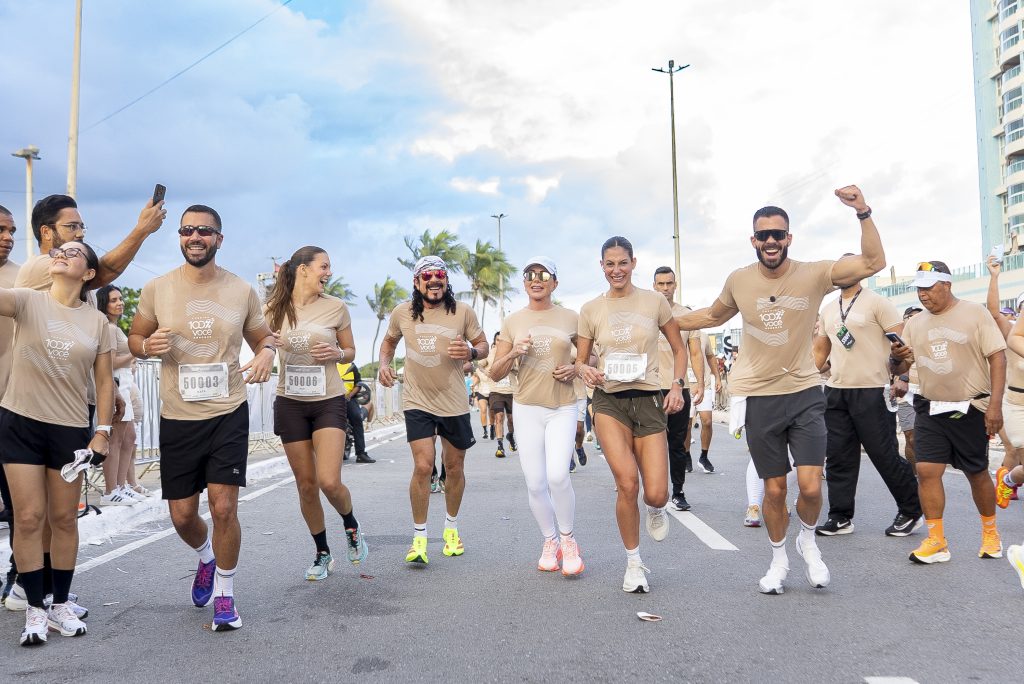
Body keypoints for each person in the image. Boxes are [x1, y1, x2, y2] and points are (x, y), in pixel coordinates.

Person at [679, 186, 885, 595]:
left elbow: (873, 261)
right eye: (763, 235)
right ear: (753, 240)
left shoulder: (814, 274)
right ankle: (778, 559)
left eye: (778, 234)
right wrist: (665, 320)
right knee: (774, 488)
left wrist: (862, 211)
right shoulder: (739, 280)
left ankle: (807, 538)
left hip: (805, 392)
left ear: (789, 238)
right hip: (760, 397)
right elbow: (713, 315)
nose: (770, 241)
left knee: (810, 486)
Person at [5, 192, 163, 612]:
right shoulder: (46, 264)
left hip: (68, 411)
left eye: (81, 231)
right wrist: (142, 230)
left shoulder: (86, 309)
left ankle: (39, 591)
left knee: (53, 513)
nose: (77, 235)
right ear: (47, 233)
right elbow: (104, 267)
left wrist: (103, 423)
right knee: (31, 513)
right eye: (71, 228)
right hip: (26, 408)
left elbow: (99, 363)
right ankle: (27, 588)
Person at [129, 205, 277, 631]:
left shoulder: (241, 290)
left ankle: (226, 597)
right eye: (187, 230)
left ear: (219, 239)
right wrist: (144, 346)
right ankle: (206, 559)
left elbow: (263, 337)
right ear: (179, 237)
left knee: (225, 507)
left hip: (228, 410)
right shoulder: (157, 288)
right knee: (181, 515)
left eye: (205, 231)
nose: (196, 237)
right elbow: (135, 337)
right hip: (177, 415)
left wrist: (266, 352)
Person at [0, 241, 113, 645]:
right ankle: (34, 609)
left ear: (87, 275)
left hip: (68, 428)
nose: (62, 254)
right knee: (28, 518)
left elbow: (103, 382)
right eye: (59, 249)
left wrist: (103, 430)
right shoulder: (27, 301)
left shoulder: (97, 321)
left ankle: (60, 604)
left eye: (74, 252)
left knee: (63, 520)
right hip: (19, 422)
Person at [575, 236, 688, 593]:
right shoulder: (591, 309)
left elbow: (677, 347)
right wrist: (585, 371)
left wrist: (676, 385)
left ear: (633, 263)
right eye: (609, 264)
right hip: (609, 401)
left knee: (655, 493)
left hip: (649, 398)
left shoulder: (654, 302)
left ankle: (656, 509)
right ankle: (634, 564)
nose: (616, 270)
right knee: (627, 483)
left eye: (622, 263)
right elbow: (581, 360)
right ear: (601, 267)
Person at [890, 260, 1005, 565]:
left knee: (976, 472)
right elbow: (902, 368)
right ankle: (936, 540)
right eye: (919, 289)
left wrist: (995, 405)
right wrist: (896, 359)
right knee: (927, 470)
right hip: (929, 406)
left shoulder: (975, 313)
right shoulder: (914, 324)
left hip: (970, 406)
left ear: (947, 285)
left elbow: (998, 357)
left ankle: (990, 533)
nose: (923, 295)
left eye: (928, 288)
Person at [264, 246, 368, 582]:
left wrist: (337, 352)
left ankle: (350, 524)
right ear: (303, 270)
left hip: (328, 400)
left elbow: (350, 350)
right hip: (290, 401)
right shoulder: (273, 308)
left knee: (329, 481)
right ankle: (322, 552)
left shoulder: (336, 307)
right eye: (324, 266)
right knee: (306, 486)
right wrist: (264, 350)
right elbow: (260, 344)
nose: (328, 272)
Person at [378, 256, 487, 565]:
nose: (434, 280)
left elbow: (482, 346)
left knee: (453, 467)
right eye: (427, 276)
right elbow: (388, 345)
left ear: (446, 280)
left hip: (452, 401)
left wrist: (470, 351)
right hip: (417, 401)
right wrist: (384, 365)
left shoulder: (462, 312)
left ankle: (451, 529)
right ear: (417, 282)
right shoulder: (402, 313)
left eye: (440, 274)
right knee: (424, 466)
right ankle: (419, 537)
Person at [812, 260, 922, 537]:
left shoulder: (878, 303)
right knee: (838, 456)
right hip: (836, 391)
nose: (841, 275)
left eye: (848, 269)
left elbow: (903, 349)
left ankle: (911, 510)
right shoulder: (827, 310)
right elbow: (818, 355)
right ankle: (840, 517)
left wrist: (901, 374)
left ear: (860, 273)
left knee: (883, 454)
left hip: (872, 389)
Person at [489, 257, 584, 575]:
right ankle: (550, 540)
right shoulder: (513, 321)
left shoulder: (571, 317)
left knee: (558, 475)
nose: (536, 279)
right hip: (526, 407)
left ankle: (569, 540)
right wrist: (515, 351)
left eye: (544, 274)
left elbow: (590, 356)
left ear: (555, 282)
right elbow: (495, 369)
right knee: (535, 483)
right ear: (524, 282)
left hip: (562, 407)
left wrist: (575, 367)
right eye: (529, 274)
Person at [652, 266, 704, 511]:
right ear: (654, 286)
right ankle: (654, 490)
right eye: (660, 284)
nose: (665, 288)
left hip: (678, 387)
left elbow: (695, 352)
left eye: (668, 284)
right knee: (651, 443)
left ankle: (678, 491)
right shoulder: (647, 313)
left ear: (675, 285)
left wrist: (699, 382)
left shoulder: (686, 316)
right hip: (649, 389)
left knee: (677, 442)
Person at [96, 285, 145, 506]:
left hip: (124, 382)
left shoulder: (115, 327)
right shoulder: (107, 327)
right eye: (114, 300)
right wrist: (134, 353)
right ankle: (110, 490)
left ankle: (122, 486)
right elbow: (110, 362)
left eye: (120, 299)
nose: (120, 303)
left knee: (129, 438)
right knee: (115, 441)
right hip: (115, 386)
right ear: (104, 304)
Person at [985, 259, 1024, 513]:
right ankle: (1008, 479)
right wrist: (995, 277)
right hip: (1016, 405)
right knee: (1016, 451)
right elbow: (993, 312)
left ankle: (1008, 479)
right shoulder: (1012, 332)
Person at [0, 206, 20, 604]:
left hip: (12, 406)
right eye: (0, 230)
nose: (7, 237)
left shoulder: (25, 277)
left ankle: (22, 573)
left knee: (20, 502)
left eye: (11, 230)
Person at [892, 306, 923, 473]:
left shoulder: (929, 335)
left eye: (919, 316)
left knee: (923, 438)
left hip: (926, 392)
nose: (915, 319)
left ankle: (927, 475)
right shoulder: (896, 340)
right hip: (904, 394)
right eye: (911, 316)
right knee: (911, 437)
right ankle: (914, 474)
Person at [686, 331, 721, 474]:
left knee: (707, 422)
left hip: (703, 385)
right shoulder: (677, 334)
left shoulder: (704, 336)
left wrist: (717, 377)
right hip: (685, 386)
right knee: (686, 425)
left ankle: (704, 457)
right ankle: (686, 455)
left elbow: (710, 357)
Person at [482, 332, 517, 457]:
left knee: (511, 420)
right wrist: (487, 374)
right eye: (498, 340)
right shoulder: (491, 353)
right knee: (499, 417)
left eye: (502, 340)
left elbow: (519, 370)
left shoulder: (513, 352)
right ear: (495, 341)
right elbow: (479, 366)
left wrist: (511, 367)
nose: (500, 342)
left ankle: (510, 436)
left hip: (510, 391)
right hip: (496, 391)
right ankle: (500, 446)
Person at [344, 364, 375, 463]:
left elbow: (358, 384)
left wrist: (349, 396)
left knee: (357, 417)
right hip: (330, 399)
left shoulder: (351, 365)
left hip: (348, 399)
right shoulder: (328, 362)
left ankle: (361, 453)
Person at [471, 365, 491, 440]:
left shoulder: (493, 366)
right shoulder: (478, 369)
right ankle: (485, 430)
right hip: (482, 392)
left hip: (492, 392)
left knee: (491, 412)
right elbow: (477, 379)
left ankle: (492, 427)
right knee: (483, 410)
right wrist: (474, 385)